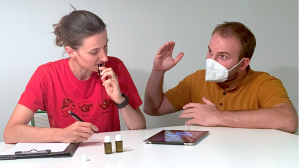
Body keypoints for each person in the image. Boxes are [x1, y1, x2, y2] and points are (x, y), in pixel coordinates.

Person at [4, 8, 146, 143]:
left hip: (108, 152)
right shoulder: (47, 75)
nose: (104, 58)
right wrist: (62, 134)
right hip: (67, 156)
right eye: (94, 51)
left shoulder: (115, 67)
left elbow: (139, 127)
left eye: (105, 46)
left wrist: (120, 101)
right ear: (71, 52)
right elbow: (10, 133)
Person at [143, 21, 298, 134]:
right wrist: (158, 71)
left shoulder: (264, 83)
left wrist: (218, 117)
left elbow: (289, 121)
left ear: (243, 64)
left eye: (223, 56)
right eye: (210, 51)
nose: (211, 61)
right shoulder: (197, 79)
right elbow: (153, 109)